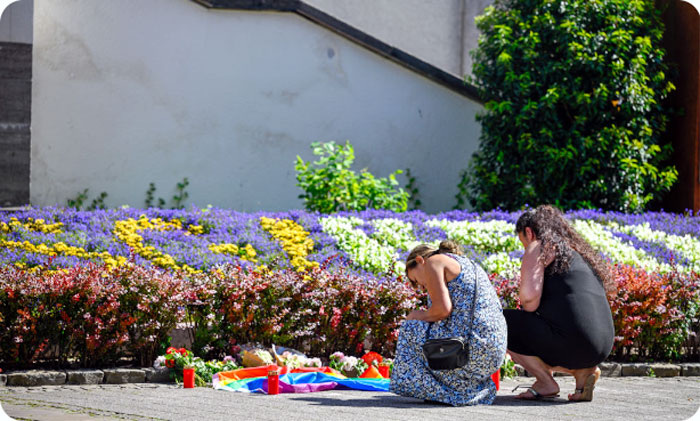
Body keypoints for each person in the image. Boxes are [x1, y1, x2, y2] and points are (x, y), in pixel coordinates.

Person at [504, 205, 614, 402]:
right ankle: (584, 375)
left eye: (523, 241)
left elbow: (529, 301)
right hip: (602, 346)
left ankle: (545, 382)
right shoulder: (578, 252)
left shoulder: (539, 246)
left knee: (501, 321)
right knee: (557, 328)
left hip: (573, 341)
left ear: (529, 232)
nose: (525, 247)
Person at [389, 240, 507, 406]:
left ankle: (441, 391)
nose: (420, 288)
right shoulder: (467, 263)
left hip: (470, 352)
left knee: (410, 328)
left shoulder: (434, 262)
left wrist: (416, 315)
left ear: (419, 261)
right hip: (492, 354)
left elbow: (442, 310)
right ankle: (461, 389)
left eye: (415, 279)